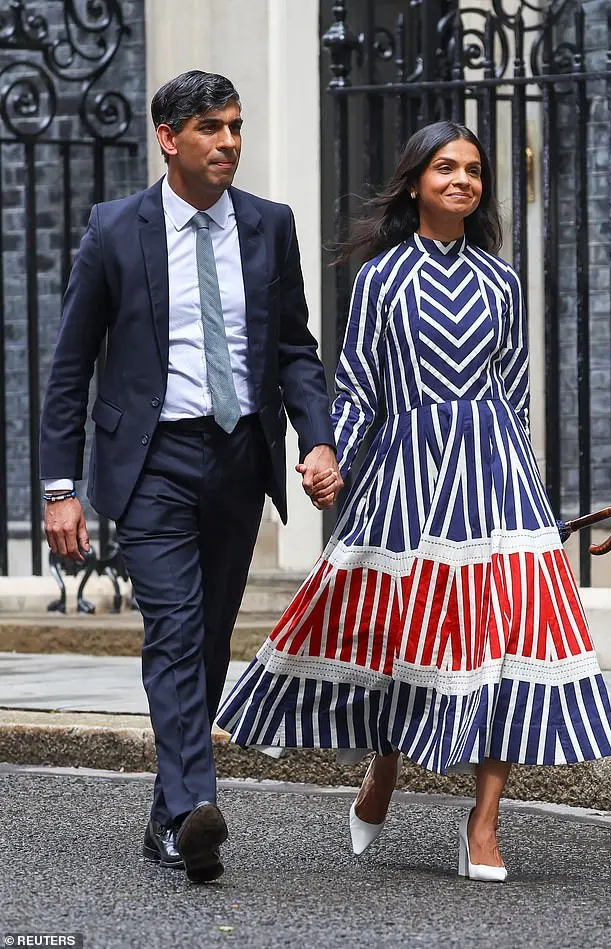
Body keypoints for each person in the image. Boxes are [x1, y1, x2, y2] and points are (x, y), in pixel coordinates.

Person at [216, 121, 611, 881]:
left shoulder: (502, 282)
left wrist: (531, 494)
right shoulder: (381, 279)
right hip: (410, 479)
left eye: (473, 170)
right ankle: (384, 767)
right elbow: (361, 388)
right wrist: (328, 456)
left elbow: (515, 395)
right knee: (410, 632)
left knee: (510, 640)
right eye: (446, 168)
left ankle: (483, 823)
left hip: (497, 477)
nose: (464, 180)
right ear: (414, 182)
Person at [39, 70, 343, 883]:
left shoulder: (269, 227)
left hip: (240, 458)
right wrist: (59, 487)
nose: (230, 142)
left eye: (236, 126)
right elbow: (70, 369)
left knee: (206, 641)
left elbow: (293, 350)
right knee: (173, 632)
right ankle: (194, 814)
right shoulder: (114, 230)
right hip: (152, 463)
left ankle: (166, 813)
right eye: (211, 127)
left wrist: (317, 440)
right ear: (169, 139)